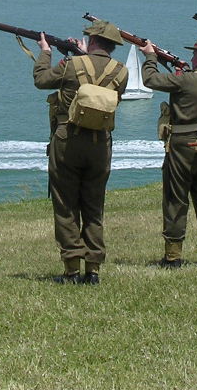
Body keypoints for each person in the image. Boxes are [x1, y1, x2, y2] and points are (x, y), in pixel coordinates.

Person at [33, 20, 128, 285]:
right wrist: (82, 55)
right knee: (94, 206)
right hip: (100, 144)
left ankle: (72, 268)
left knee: (65, 204)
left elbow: (41, 80)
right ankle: (94, 268)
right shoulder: (122, 71)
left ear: (93, 41)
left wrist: (46, 52)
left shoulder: (71, 65)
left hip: (68, 140)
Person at [140, 32, 197, 267]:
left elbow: (150, 80)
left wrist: (150, 57)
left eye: (195, 54)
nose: (192, 57)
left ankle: (173, 257)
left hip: (183, 145)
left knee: (175, 199)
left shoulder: (187, 79)